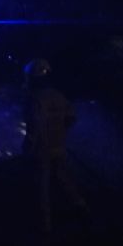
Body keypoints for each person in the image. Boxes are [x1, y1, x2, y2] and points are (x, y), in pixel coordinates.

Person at [23, 58, 86, 233]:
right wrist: (60, 132)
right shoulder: (58, 95)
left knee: (42, 187)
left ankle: (45, 226)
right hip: (58, 146)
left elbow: (34, 127)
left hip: (41, 149)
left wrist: (28, 148)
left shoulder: (34, 99)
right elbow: (71, 117)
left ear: (33, 78)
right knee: (64, 178)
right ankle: (81, 207)